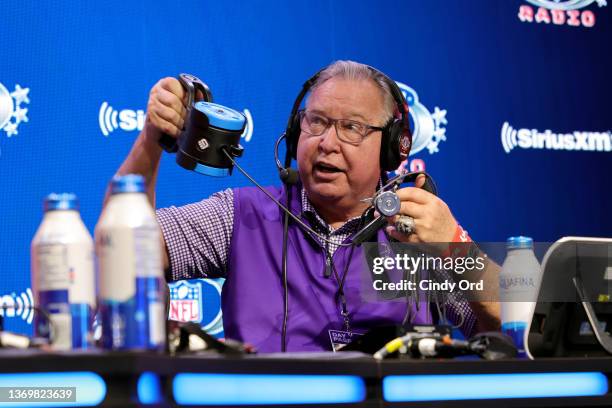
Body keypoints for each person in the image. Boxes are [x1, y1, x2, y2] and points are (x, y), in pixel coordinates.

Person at [108, 60, 500, 352]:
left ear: (392, 146)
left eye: (352, 127)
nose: (327, 142)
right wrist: (151, 141)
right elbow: (121, 247)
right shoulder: (242, 214)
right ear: (296, 132)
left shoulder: (419, 227)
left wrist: (455, 248)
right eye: (316, 122)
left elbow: (519, 325)